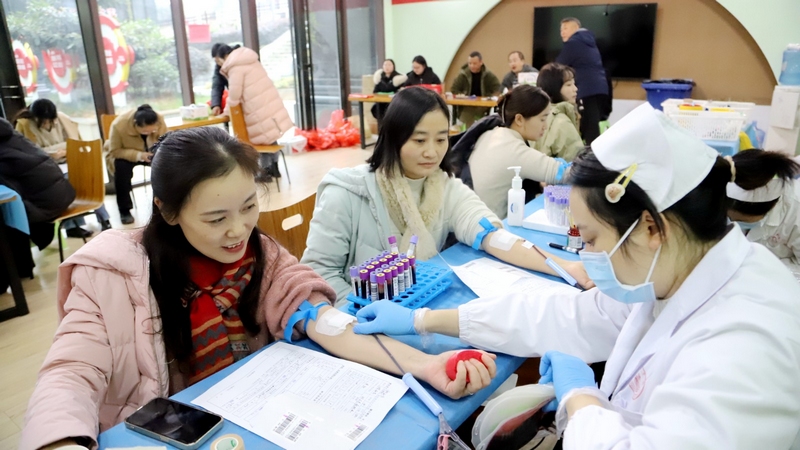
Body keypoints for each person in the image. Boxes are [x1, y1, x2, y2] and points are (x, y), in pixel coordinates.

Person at [351, 103, 800, 449]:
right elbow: (562, 315)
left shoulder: (748, 341)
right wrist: (424, 321)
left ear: (648, 228)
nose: (585, 254)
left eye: (589, 236)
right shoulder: (677, 272)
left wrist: (580, 400)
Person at [19, 127, 497, 450]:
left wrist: (427, 364)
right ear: (167, 211)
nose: (238, 231)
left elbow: (324, 320)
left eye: (249, 207)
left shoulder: (261, 257)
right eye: (216, 218)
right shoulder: (112, 273)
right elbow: (69, 375)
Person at [300, 87, 590, 304]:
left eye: (440, 139)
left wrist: (564, 266)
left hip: (413, 307)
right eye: (419, 140)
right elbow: (317, 273)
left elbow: (490, 233)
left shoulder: (443, 187)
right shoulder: (347, 193)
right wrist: (353, 318)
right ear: (395, 137)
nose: (432, 152)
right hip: (356, 320)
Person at [448, 85, 570, 219]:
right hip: (489, 227)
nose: (545, 126)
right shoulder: (514, 149)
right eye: (542, 119)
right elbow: (564, 174)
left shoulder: (492, 133)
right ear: (519, 119)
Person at [15, 99, 112, 233]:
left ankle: (104, 219)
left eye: (50, 120)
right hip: (45, 167)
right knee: (62, 186)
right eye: (43, 120)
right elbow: (29, 151)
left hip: (69, 160)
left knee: (88, 181)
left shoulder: (62, 119)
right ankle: (73, 227)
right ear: (34, 116)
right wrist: (53, 153)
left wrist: (58, 150)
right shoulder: (24, 124)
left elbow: (76, 143)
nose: (47, 124)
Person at [0, 117, 75, 284]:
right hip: (62, 193)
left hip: (47, 203)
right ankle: (22, 268)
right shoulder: (13, 136)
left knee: (6, 216)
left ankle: (17, 272)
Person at [218, 44, 293, 182]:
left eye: (219, 60)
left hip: (256, 108)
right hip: (268, 103)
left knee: (261, 141)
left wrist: (226, 112)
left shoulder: (236, 67)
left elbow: (234, 95)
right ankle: (274, 168)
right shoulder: (249, 59)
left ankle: (264, 172)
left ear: (224, 57)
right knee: (270, 137)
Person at [727, 153, 800, 273]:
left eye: (744, 221)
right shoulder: (714, 197)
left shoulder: (795, 212)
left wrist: (762, 273)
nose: (735, 223)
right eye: (730, 217)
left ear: (771, 207)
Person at [105, 104, 167, 225]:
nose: (148, 133)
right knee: (121, 169)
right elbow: (115, 151)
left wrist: (155, 153)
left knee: (166, 166)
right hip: (126, 154)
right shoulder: (119, 124)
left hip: (151, 152)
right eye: (145, 131)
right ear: (135, 124)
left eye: (152, 131)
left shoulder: (159, 119)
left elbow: (165, 141)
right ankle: (125, 210)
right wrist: (139, 155)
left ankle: (163, 204)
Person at [556, 17, 610, 145]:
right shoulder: (589, 42)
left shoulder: (574, 43)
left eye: (565, 28)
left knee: (589, 129)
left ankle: (591, 161)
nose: (562, 32)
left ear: (576, 29)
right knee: (590, 126)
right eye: (561, 30)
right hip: (600, 89)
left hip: (586, 90)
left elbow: (557, 66)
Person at [536, 63, 584, 162]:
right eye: (569, 85)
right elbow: (576, 163)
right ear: (554, 88)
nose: (575, 89)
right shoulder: (562, 122)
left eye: (574, 84)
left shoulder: (533, 114)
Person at [450, 51, 502, 127]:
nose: (472, 66)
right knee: (466, 122)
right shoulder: (463, 74)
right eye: (470, 63)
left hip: (483, 106)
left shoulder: (488, 74)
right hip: (466, 106)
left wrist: (489, 97)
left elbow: (497, 88)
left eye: (474, 63)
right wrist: (462, 95)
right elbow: (454, 89)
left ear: (481, 62)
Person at [210, 42, 229, 117]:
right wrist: (216, 104)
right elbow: (217, 86)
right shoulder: (219, 67)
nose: (218, 63)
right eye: (216, 61)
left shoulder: (236, 66)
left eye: (218, 60)